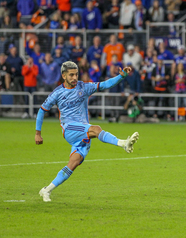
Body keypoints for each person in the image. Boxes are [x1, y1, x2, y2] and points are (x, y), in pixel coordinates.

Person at [36, 62, 139, 202]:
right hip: (70, 129)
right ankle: (123, 143)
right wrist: (38, 133)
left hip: (83, 131)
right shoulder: (57, 93)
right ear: (63, 76)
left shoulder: (84, 87)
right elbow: (42, 110)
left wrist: (121, 76)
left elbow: (105, 85)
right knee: (96, 129)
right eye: (71, 75)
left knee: (73, 163)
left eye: (76, 74)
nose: (74, 77)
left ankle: (46, 190)